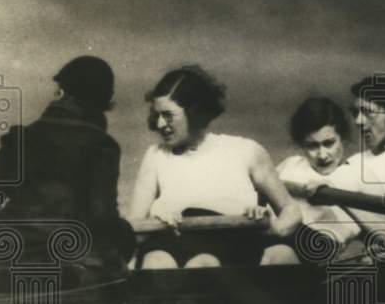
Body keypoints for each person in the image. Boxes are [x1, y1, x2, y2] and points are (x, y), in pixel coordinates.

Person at [128, 65, 301, 268]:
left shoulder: (246, 151)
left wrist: (274, 229)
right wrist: (157, 219)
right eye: (156, 115)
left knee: (208, 263)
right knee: (156, 263)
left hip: (234, 244)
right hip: (174, 243)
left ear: (194, 111)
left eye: (168, 115)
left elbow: (290, 209)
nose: (159, 124)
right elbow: (135, 225)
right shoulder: (155, 156)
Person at [0, 56, 135, 268]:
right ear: (105, 103)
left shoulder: (21, 138)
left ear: (60, 92)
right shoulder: (102, 146)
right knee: (123, 232)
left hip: (8, 252)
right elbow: (102, 217)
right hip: (66, 257)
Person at [276, 97, 362, 247]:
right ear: (301, 144)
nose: (322, 155)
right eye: (312, 146)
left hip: (322, 250)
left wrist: (336, 196)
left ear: (343, 138)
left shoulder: (358, 174)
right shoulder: (290, 165)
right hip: (279, 239)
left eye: (329, 143)